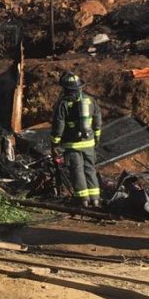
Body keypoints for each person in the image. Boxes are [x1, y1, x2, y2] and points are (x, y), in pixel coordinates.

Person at [51, 71, 103, 208]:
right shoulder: (91, 101)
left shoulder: (63, 104)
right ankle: (96, 199)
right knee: (90, 169)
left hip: (72, 144)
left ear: (66, 89)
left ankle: (83, 200)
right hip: (89, 143)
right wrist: (96, 137)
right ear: (80, 87)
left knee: (77, 170)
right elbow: (97, 121)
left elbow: (58, 125)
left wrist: (55, 143)